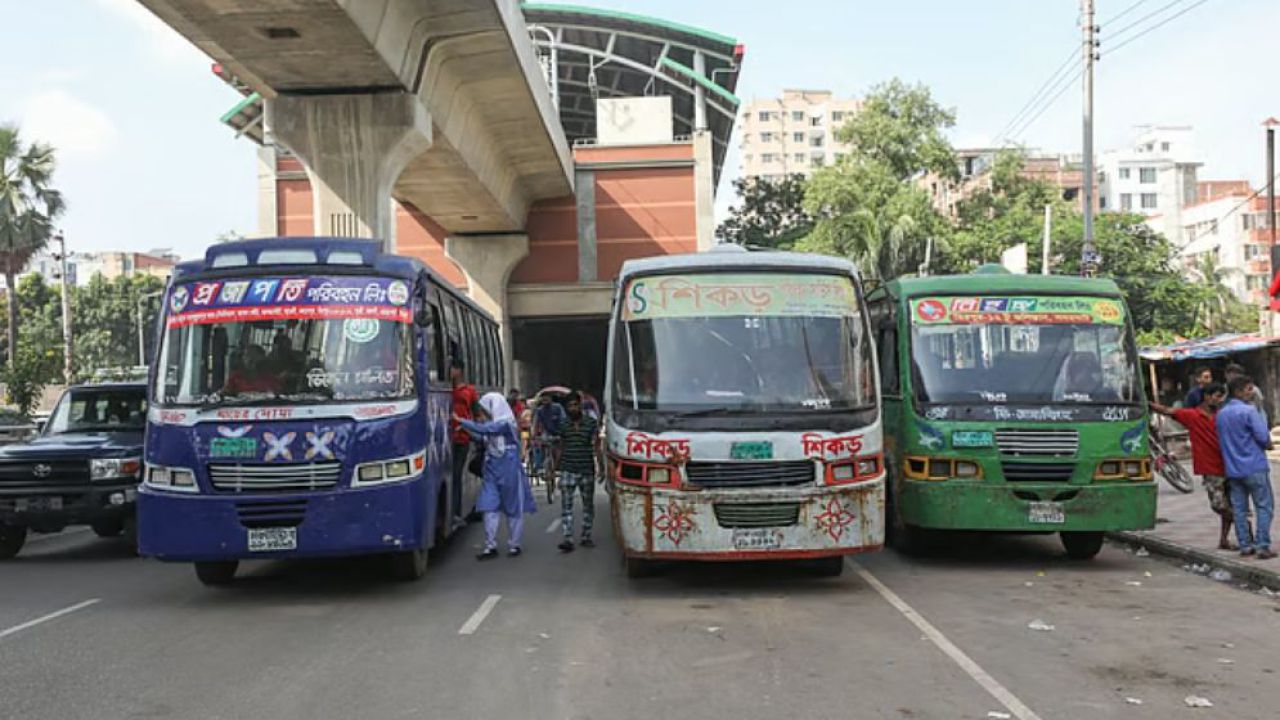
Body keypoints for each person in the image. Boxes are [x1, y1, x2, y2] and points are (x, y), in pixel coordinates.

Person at [1151, 383, 1237, 550]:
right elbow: (1167, 411)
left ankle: (1225, 539)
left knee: (1230, 503)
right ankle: (1240, 524)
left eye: (1221, 396)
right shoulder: (1192, 415)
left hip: (1230, 465)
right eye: (1216, 396)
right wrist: (1146, 403)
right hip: (1211, 468)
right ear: (1206, 396)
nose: (1219, 400)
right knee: (1219, 505)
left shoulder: (1224, 415)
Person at [456, 393, 537, 559]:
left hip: (509, 471)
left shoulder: (506, 424)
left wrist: (462, 421)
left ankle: (515, 544)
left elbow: (487, 430)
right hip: (491, 469)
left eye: (486, 411)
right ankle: (490, 545)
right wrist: (467, 431)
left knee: (513, 508)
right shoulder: (492, 425)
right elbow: (483, 436)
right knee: (488, 507)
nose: (484, 415)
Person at [1216, 375, 1276, 560]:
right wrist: (1269, 445)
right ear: (1239, 391)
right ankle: (1262, 545)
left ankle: (1245, 545)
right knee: (1264, 506)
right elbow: (1262, 436)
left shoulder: (1222, 414)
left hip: (1233, 469)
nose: (1252, 392)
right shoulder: (1249, 411)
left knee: (1240, 509)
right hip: (1254, 466)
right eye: (1249, 389)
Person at [554, 393, 601, 553]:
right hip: (568, 469)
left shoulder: (591, 423)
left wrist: (601, 466)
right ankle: (568, 539)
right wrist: (555, 468)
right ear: (566, 408)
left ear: (580, 406)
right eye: (570, 406)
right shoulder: (563, 424)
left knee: (588, 505)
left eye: (575, 405)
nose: (573, 408)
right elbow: (560, 446)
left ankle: (586, 536)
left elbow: (596, 445)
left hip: (586, 469)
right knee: (566, 507)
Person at [450, 359, 480, 529]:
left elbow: (476, 414)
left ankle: (456, 513)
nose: (450, 372)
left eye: (452, 368)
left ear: (459, 370)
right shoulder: (446, 389)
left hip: (462, 438)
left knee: (456, 475)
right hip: (446, 438)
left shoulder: (469, 391)